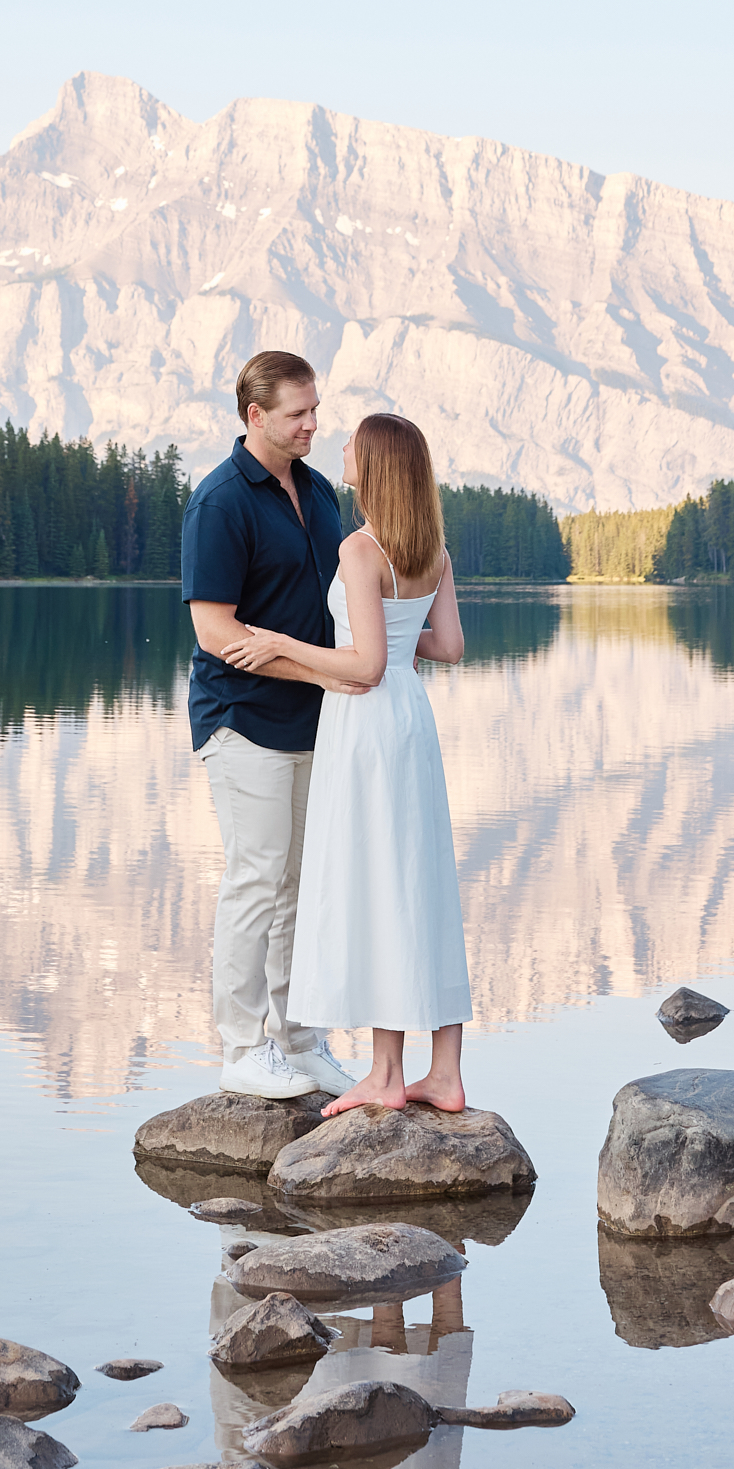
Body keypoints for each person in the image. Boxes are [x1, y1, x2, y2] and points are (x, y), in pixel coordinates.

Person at [219, 410, 471, 1116]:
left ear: (378, 467)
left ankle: (386, 1076)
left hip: (366, 727)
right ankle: (444, 1073)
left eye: (352, 446)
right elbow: (448, 646)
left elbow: (361, 668)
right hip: (411, 719)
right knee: (419, 880)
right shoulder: (434, 551)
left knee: (375, 883)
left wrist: (282, 645)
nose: (338, 450)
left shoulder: (363, 550)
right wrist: (388, 637)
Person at [181, 349, 356, 1100]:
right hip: (241, 719)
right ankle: (241, 1046)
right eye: (297, 413)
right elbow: (217, 632)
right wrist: (323, 670)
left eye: (315, 408)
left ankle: (298, 1040)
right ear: (255, 416)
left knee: (299, 884)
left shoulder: (318, 494)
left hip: (315, 721)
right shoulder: (220, 502)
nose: (313, 424)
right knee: (255, 879)